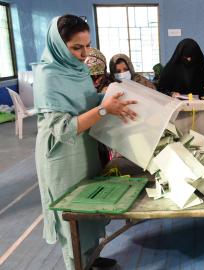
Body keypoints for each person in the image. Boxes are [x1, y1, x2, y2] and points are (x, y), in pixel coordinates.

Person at [33, 15, 137, 269]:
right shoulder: (48, 76)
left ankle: (92, 259)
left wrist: (110, 97)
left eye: (87, 45)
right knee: (72, 218)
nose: (83, 54)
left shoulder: (78, 69)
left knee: (90, 209)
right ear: (59, 45)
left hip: (84, 148)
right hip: (63, 155)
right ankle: (77, 265)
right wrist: (104, 109)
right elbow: (63, 128)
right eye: (76, 47)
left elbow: (86, 102)